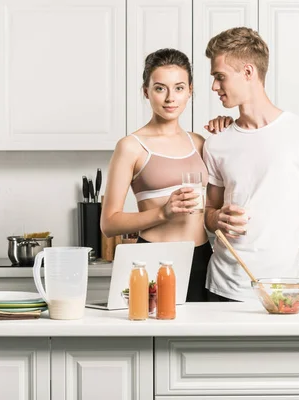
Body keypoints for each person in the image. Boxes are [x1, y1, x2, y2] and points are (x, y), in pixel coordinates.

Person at [202, 27, 299, 302]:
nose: (214, 86)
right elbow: (208, 213)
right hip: (222, 288)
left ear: (248, 72)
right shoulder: (216, 143)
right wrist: (217, 218)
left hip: (283, 290)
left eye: (220, 77)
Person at [101, 48, 211, 302]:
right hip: (154, 260)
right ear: (146, 92)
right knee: (157, 338)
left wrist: (227, 128)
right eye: (160, 88)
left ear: (190, 91)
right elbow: (109, 224)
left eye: (179, 88)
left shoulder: (200, 143)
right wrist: (163, 213)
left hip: (203, 259)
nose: (171, 98)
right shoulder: (131, 146)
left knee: (201, 340)